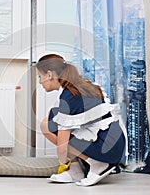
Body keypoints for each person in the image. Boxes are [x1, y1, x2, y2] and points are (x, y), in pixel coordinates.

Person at [36, 54, 128, 186]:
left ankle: (97, 164)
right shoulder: (81, 86)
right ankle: (78, 171)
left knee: (47, 125)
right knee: (52, 116)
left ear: (49, 75)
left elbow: (62, 146)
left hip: (107, 149)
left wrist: (63, 164)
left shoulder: (68, 98)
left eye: (40, 76)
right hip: (115, 145)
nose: (40, 82)